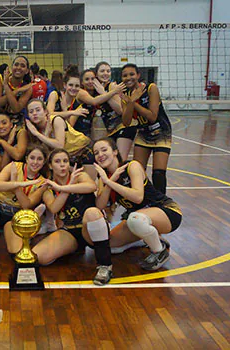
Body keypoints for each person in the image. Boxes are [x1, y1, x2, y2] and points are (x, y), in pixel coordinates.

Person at [93, 137, 182, 271]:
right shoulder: (104, 177)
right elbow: (99, 206)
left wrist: (110, 182)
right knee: (110, 246)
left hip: (166, 211)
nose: (100, 155)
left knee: (135, 219)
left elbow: (138, 197)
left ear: (115, 152)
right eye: (96, 153)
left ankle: (159, 251)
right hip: (138, 217)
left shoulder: (131, 166)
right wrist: (108, 182)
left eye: (104, 150)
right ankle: (145, 238)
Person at [36, 149, 113, 284]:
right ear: (50, 165)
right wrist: (66, 187)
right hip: (70, 231)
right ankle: (73, 249)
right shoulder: (48, 188)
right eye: (57, 161)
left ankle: (105, 265)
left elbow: (91, 186)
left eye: (65, 161)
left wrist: (64, 187)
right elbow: (54, 208)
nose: (62, 165)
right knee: (38, 256)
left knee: (92, 212)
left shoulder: (79, 176)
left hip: (90, 227)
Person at [120, 63, 172, 194]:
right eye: (125, 75)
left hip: (161, 132)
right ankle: (143, 201)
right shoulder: (125, 95)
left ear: (138, 75)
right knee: (138, 172)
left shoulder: (151, 88)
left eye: (132, 74)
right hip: (143, 133)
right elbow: (126, 122)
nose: (128, 78)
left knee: (158, 174)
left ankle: (161, 204)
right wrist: (131, 101)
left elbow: (152, 116)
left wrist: (133, 103)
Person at [0, 144, 49, 247]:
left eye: (39, 159)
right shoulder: (14, 166)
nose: (35, 162)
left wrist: (15, 184)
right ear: (26, 158)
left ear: (44, 162)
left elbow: (26, 205)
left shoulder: (43, 182)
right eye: (32, 158)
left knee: (15, 247)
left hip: (16, 216)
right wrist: (18, 184)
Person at [25, 99, 94, 178]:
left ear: (45, 111)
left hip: (83, 150)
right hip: (66, 158)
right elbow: (44, 153)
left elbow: (60, 145)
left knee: (87, 184)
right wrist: (46, 135)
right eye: (31, 112)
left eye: (38, 110)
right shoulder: (33, 129)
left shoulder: (55, 120)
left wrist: (38, 134)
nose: (34, 114)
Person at [93, 61, 136, 161]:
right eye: (102, 71)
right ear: (96, 74)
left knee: (119, 160)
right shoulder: (96, 89)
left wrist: (104, 93)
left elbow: (120, 110)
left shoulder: (112, 86)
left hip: (124, 127)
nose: (106, 73)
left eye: (108, 71)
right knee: (112, 161)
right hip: (111, 129)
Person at [0, 55, 33, 127]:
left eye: (22, 66)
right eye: (16, 65)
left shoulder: (28, 87)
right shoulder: (0, 79)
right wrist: (16, 91)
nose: (18, 68)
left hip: (16, 121)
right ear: (12, 67)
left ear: (27, 71)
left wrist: (10, 90)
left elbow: (16, 109)